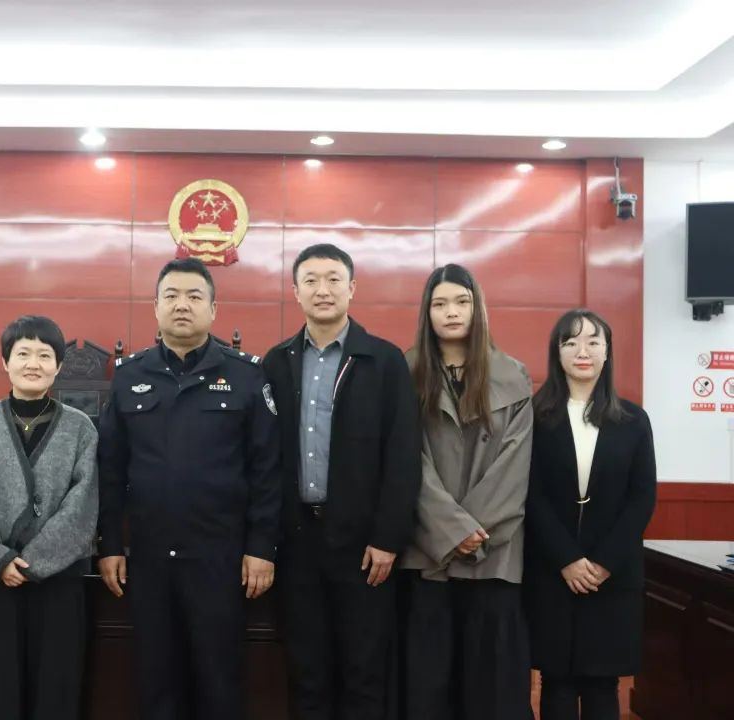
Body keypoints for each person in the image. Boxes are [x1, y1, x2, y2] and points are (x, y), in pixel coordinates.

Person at [97, 257, 281, 720]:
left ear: (213, 309)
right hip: (150, 559)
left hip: (221, 558)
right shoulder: (129, 375)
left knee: (219, 681)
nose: (182, 305)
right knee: (156, 681)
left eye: (194, 297)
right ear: (155, 307)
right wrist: (110, 545)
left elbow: (267, 468)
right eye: (172, 296)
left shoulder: (246, 375)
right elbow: (111, 469)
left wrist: (262, 547)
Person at [262, 243, 421, 720]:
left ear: (352, 288)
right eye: (310, 280)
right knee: (307, 673)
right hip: (298, 543)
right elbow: (264, 457)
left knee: (364, 673)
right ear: (295, 292)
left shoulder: (384, 361)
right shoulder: (277, 361)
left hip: (364, 548)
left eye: (333, 279)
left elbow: (402, 455)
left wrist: (388, 538)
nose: (323, 289)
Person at [399, 264, 534, 720]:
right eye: (440, 304)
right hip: (426, 556)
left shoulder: (512, 375)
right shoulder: (406, 372)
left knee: (490, 688)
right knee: (428, 685)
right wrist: (451, 530)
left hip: (494, 556)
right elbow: (407, 461)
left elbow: (514, 467)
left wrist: (471, 533)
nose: (451, 312)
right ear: (427, 312)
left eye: (461, 301)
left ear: (478, 309)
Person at [0, 315, 98, 720]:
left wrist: (34, 562)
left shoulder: (81, 427)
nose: (33, 363)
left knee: (56, 686)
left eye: (44, 355)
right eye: (23, 353)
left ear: (58, 365)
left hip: (59, 580)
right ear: (5, 361)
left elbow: (83, 502)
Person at [525, 309, 657, 720]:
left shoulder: (633, 420)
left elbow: (642, 497)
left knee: (603, 682)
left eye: (593, 342)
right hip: (552, 569)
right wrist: (566, 559)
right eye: (571, 342)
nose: (582, 351)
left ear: (607, 352)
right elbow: (529, 493)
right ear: (557, 352)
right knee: (557, 680)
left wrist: (603, 562)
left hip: (612, 574)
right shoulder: (534, 415)